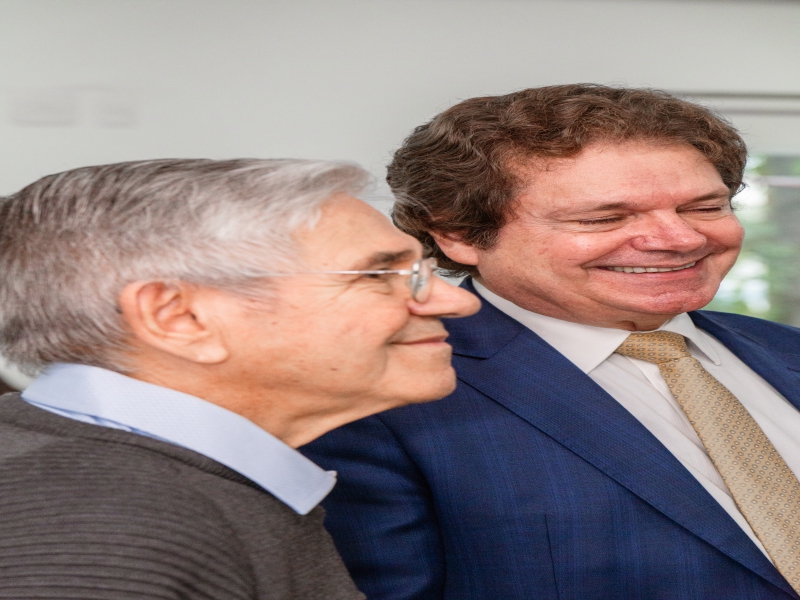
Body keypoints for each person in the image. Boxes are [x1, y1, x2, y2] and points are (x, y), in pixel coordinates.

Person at [302, 85, 800, 600]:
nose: (681, 239)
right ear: (459, 235)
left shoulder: (788, 350)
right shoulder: (372, 397)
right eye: (604, 218)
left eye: (705, 207)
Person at [0, 158, 479, 599]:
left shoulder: (131, 492)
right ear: (179, 317)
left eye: (421, 272)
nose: (458, 302)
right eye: (378, 275)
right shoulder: (104, 538)